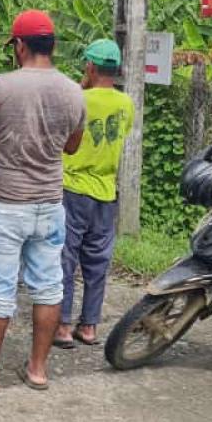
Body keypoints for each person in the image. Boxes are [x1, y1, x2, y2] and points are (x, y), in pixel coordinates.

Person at [0, 10, 84, 396]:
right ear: (52, 45)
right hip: (49, 202)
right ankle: (38, 370)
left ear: (19, 46)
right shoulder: (74, 90)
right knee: (48, 286)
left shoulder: (2, 86)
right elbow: (72, 145)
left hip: (5, 202)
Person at [53, 39, 134, 349]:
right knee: (97, 262)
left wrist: (80, 85)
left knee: (66, 257)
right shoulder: (126, 104)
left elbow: (62, 137)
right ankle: (89, 327)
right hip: (105, 190)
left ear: (89, 66)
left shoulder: (78, 99)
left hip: (72, 188)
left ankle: (62, 326)